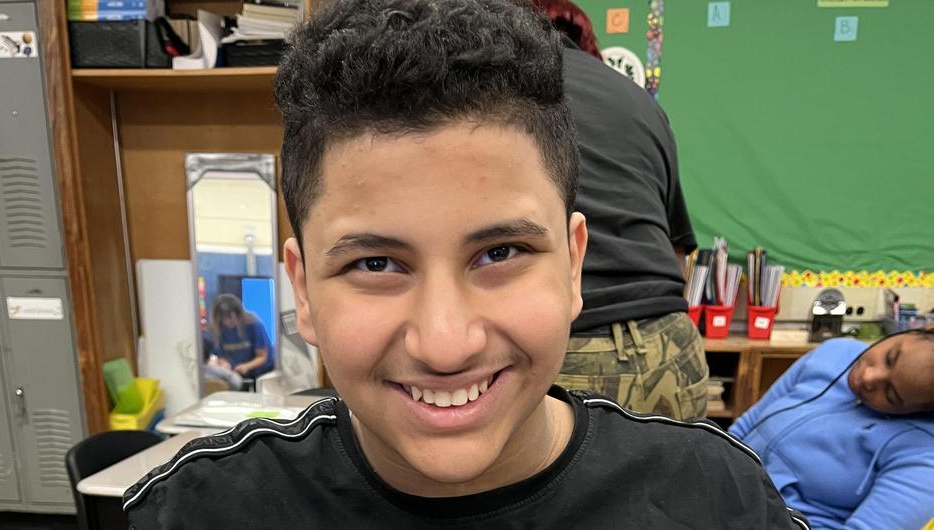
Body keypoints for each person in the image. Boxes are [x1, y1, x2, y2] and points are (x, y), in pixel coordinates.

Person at [124, 1, 807, 527]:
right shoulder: (198, 509)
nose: (446, 344)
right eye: (377, 264)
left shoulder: (716, 499)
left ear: (574, 266)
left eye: (500, 253)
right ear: (302, 290)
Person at [532, 1, 708, 421]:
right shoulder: (639, 100)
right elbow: (677, 251)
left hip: (563, 349)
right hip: (671, 344)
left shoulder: (497, 85)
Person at [730, 330, 934, 530]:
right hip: (730, 494)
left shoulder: (924, 457)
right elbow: (749, 423)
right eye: (890, 357)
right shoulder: (835, 352)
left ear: (921, 411)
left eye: (891, 395)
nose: (868, 377)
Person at [206, 294, 273, 383]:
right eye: (227, 317)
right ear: (219, 317)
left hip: (264, 371)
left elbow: (262, 356)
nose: (232, 320)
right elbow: (220, 355)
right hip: (237, 373)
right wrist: (224, 363)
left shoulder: (253, 324)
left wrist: (247, 366)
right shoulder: (215, 329)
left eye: (235, 316)